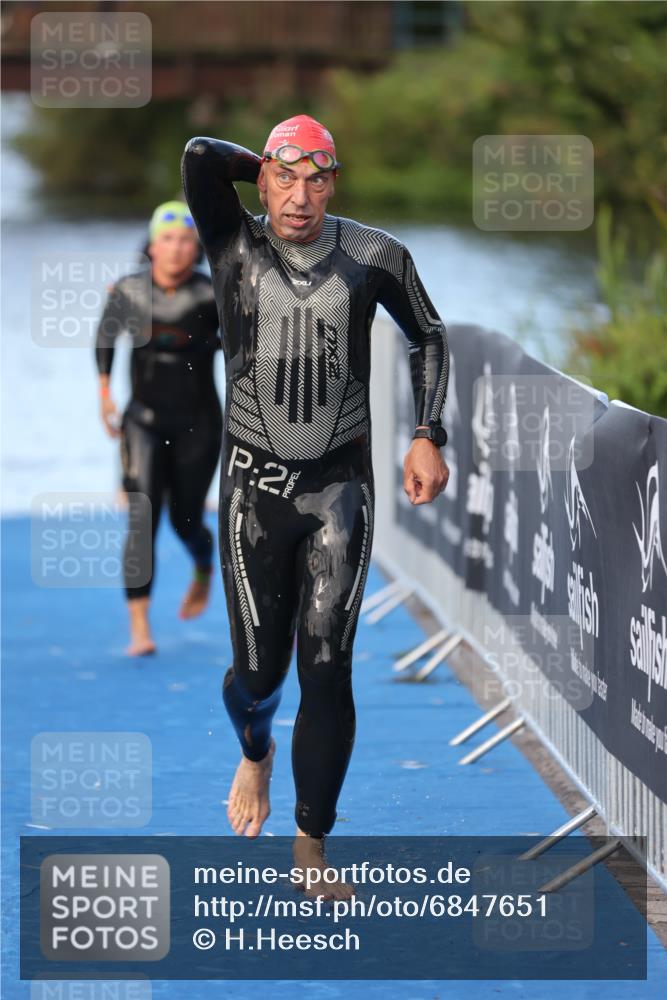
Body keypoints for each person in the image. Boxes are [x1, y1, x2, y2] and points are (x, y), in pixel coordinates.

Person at [182, 115, 449, 895]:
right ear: (261, 180)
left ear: (336, 183)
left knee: (326, 667)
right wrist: (270, 153)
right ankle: (255, 749)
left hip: (339, 491)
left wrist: (428, 432)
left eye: (317, 179)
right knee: (258, 677)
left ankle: (310, 843)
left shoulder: (373, 254)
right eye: (284, 178)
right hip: (251, 496)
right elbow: (200, 156)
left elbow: (427, 335)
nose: (301, 196)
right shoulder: (234, 244)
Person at [95, 201, 222, 656]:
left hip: (199, 424)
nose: (176, 249)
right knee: (142, 518)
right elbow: (106, 335)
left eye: (187, 241)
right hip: (143, 422)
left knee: (186, 520)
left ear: (197, 249)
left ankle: (203, 567)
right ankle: (140, 629)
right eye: (167, 239)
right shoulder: (128, 291)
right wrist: (105, 392)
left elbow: (248, 353)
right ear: (151, 245)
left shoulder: (212, 296)